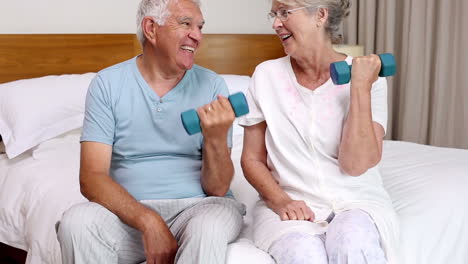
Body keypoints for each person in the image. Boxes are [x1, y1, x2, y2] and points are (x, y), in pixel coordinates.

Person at [56, 0, 245, 263]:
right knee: (77, 222)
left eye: (200, 27)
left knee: (209, 227)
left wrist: (215, 137)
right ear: (151, 29)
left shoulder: (212, 85)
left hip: (200, 208)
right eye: (185, 24)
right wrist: (149, 222)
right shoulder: (107, 84)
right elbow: (92, 178)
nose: (197, 36)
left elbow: (217, 187)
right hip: (129, 214)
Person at [239, 0, 399, 263]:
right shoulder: (265, 76)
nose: (275, 23)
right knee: (303, 254)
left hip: (356, 201)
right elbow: (251, 159)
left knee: (352, 243)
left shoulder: (370, 77)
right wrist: (281, 201)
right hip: (289, 206)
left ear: (320, 15)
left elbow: (356, 165)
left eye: (284, 12)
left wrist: (359, 87)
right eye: (274, 14)